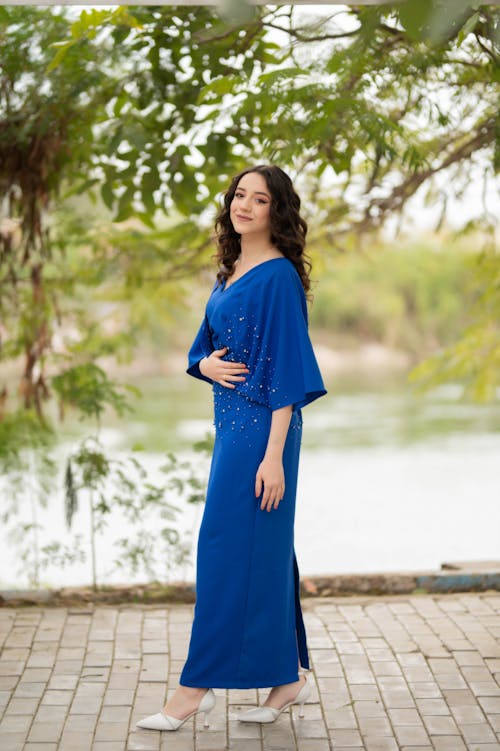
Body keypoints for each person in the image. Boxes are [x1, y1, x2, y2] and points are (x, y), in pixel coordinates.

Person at [137, 164, 327, 732]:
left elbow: (288, 373)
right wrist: (203, 364)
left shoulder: (277, 278)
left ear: (278, 211)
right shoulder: (231, 269)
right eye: (239, 195)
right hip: (233, 430)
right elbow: (204, 350)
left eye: (259, 198)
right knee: (262, 550)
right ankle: (285, 677)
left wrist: (273, 458)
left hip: (264, 437)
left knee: (222, 549)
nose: (244, 205)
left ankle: (194, 688)